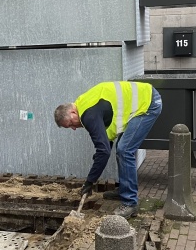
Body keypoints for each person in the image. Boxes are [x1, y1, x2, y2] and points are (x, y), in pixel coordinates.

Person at [54, 81, 162, 219]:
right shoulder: (83, 104)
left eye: (70, 124)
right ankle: (124, 190)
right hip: (144, 100)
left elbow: (103, 151)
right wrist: (94, 171)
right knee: (122, 148)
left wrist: (90, 181)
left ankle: (130, 203)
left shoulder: (89, 115)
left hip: (148, 104)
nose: (74, 128)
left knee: (124, 150)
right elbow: (105, 144)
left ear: (73, 112)